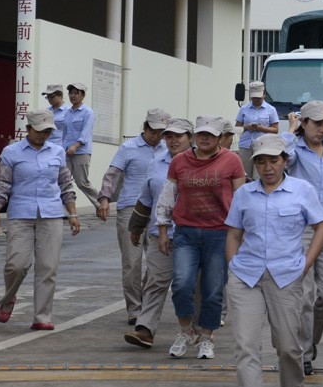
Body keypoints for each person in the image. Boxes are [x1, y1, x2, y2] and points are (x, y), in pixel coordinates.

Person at [222, 134, 323, 387]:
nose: (267, 167)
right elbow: (233, 233)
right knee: (245, 345)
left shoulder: (301, 191)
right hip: (246, 276)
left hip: (286, 277)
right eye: (261, 161)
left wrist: (306, 263)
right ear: (254, 164)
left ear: (285, 161)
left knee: (287, 345)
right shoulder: (244, 194)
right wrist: (233, 265)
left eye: (273, 160)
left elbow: (321, 226)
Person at [155, 114, 246, 360]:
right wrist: (163, 229)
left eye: (211, 135)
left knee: (213, 289)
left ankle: (207, 337)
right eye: (201, 134)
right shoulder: (180, 162)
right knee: (182, 284)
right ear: (194, 135)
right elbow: (168, 196)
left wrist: (242, 234)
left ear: (220, 138)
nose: (205, 138)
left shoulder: (233, 162)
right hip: (186, 231)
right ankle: (186, 331)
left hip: (220, 233)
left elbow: (242, 199)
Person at [0, 109, 81, 330]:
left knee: (47, 266)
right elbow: (2, 185)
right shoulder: (11, 152)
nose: (43, 135)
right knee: (16, 265)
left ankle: (42, 317)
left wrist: (73, 214)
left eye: (48, 131)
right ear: (28, 129)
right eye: (39, 131)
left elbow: (66, 186)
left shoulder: (57, 152)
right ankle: (9, 298)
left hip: (51, 215)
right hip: (21, 214)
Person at [282, 100, 323, 376]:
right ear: (304, 123)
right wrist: (289, 131)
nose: (322, 129)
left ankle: (309, 340)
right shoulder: (294, 150)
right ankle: (305, 352)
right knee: (305, 295)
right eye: (317, 123)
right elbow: (280, 160)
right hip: (302, 229)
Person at [124, 117, 193, 350]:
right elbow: (146, 197)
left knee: (194, 286)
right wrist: (136, 228)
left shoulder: (200, 162)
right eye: (168, 136)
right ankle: (145, 329)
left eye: (178, 136)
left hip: (193, 236)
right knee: (155, 281)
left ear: (190, 138)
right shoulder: (155, 163)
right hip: (159, 234)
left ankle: (202, 330)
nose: (172, 141)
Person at [96, 108, 171, 324]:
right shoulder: (128, 148)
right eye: (155, 131)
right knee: (132, 262)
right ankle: (135, 310)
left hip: (160, 210)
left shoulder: (168, 150)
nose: (158, 136)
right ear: (146, 127)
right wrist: (104, 199)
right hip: (130, 208)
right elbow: (112, 175)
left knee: (157, 261)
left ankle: (146, 303)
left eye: (162, 132)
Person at [235, 81, 280, 179]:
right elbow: (237, 128)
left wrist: (261, 128)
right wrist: (246, 127)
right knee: (244, 174)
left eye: (258, 98)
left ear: (263, 95)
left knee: (259, 174)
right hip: (246, 146)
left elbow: (275, 130)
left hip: (262, 146)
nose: (256, 100)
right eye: (254, 98)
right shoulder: (244, 109)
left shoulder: (270, 109)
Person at [62, 82, 97, 204]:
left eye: (76, 93)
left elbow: (86, 133)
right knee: (63, 180)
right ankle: (65, 208)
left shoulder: (88, 112)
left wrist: (75, 146)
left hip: (81, 151)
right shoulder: (68, 112)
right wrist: (63, 148)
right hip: (67, 151)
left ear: (83, 95)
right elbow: (64, 134)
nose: (73, 96)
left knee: (82, 182)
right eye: (70, 93)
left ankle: (100, 204)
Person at [41, 84, 68, 148]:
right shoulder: (46, 111)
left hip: (60, 146)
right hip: (46, 145)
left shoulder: (68, 111)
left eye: (52, 97)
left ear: (60, 96)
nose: (50, 99)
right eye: (48, 97)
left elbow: (70, 132)